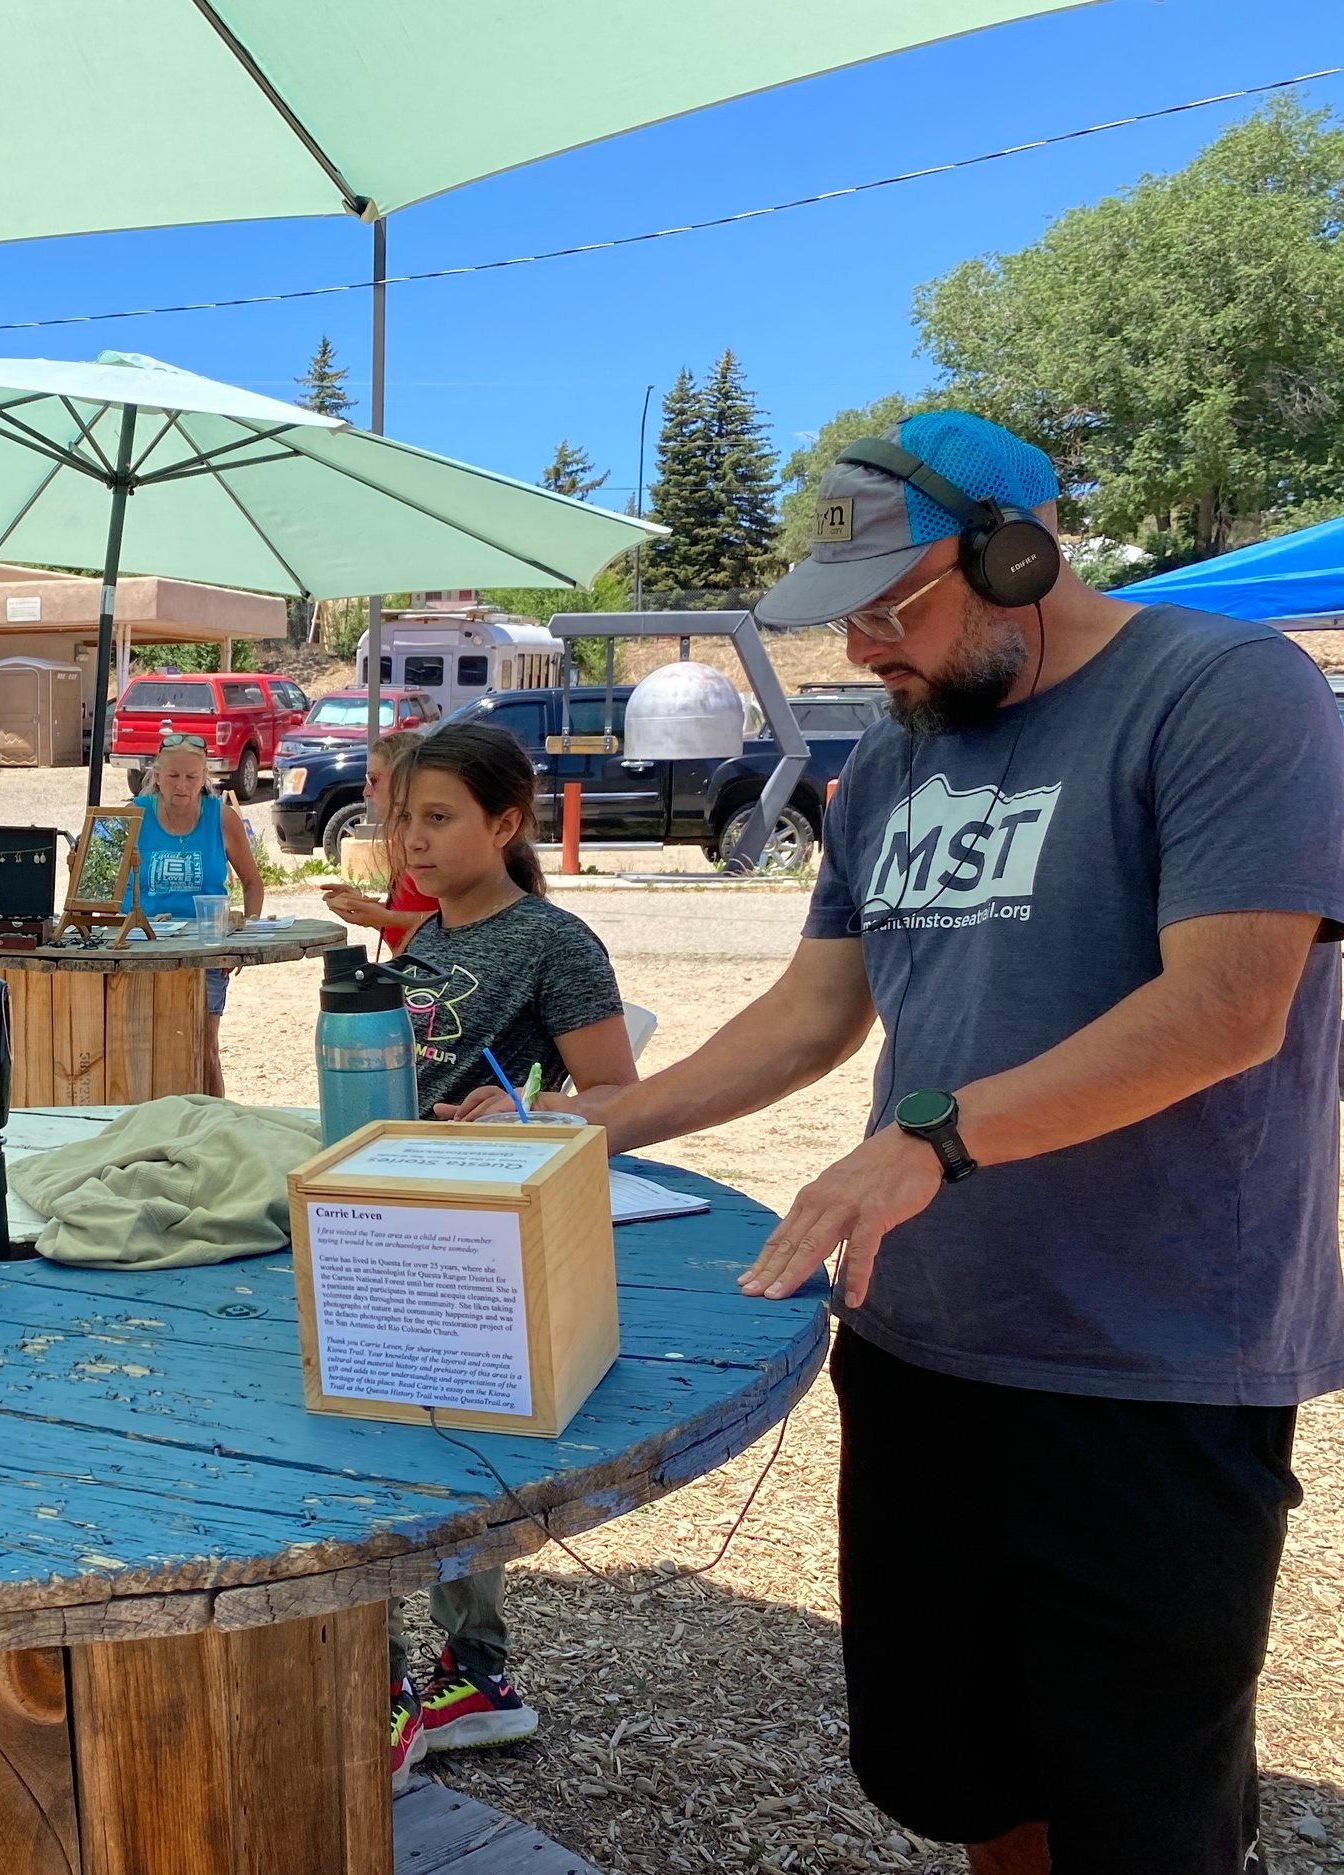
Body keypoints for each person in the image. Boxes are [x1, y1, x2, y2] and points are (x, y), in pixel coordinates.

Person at [496, 411, 1344, 1875]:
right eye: (846, 621)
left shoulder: (1228, 695)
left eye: (896, 609)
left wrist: (932, 1139)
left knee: (1147, 1809)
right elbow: (815, 1015)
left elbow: (1225, 1008)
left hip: (1155, 1358)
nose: (868, 654)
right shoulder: (892, 764)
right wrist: (583, 1120)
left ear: (1020, 555)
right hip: (922, 1337)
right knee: (958, 1770)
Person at [380, 722, 641, 1792]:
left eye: (437, 818)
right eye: (402, 817)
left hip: (486, 1242)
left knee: (458, 1454)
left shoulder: (554, 941)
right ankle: (401, 1661)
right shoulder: (422, 935)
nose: (411, 840)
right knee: (393, 1440)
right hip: (399, 1214)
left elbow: (622, 1095)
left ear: (503, 822)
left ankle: (473, 1675)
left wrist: (527, 1105)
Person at [134, 735, 265, 1096]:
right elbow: (100, 883)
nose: (183, 786)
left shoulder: (221, 817)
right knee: (140, 1046)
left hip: (208, 948)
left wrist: (244, 938)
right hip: (144, 948)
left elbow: (253, 883)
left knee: (204, 1047)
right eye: (174, 776)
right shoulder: (133, 815)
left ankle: (214, 1123)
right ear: (157, 775)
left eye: (192, 777)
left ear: (204, 776)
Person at [319, 726, 440, 956]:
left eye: (373, 780)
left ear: (403, 778)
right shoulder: (398, 836)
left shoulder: (429, 840)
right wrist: (366, 908)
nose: (365, 791)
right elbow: (410, 920)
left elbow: (461, 921)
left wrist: (382, 915)